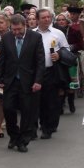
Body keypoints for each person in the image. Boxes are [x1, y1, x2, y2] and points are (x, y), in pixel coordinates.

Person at [0, 14, 45, 153]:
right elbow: (2, 60)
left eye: (19, 29)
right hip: (10, 81)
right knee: (8, 108)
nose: (16, 32)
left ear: (25, 26)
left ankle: (23, 140)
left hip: (28, 81)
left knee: (27, 112)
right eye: (14, 30)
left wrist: (38, 81)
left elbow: (40, 61)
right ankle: (14, 135)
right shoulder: (6, 38)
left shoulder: (35, 38)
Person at [34, 9, 69, 138]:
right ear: (37, 19)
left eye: (48, 17)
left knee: (51, 100)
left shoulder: (58, 33)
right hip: (36, 72)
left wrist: (59, 54)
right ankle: (39, 124)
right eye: (43, 17)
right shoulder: (32, 33)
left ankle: (47, 128)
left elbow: (66, 49)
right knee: (38, 100)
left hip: (51, 70)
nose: (47, 19)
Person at [55, 13, 83, 113]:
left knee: (71, 83)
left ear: (67, 21)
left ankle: (71, 102)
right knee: (61, 83)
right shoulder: (55, 32)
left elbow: (81, 44)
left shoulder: (74, 31)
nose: (61, 22)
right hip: (59, 61)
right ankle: (61, 106)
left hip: (71, 59)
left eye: (63, 20)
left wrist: (72, 47)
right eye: (59, 20)